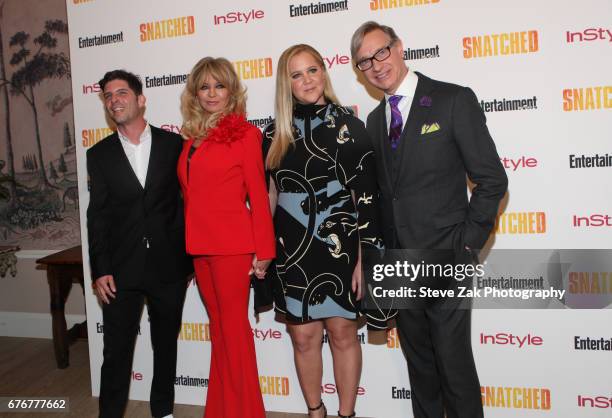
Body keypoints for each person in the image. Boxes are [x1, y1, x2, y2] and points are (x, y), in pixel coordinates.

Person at [350, 21, 508, 418]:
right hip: (399, 266)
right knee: (419, 370)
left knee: (454, 369)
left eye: (381, 52)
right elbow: (387, 198)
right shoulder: (373, 120)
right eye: (364, 61)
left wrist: (467, 244)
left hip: (447, 259)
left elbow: (492, 180)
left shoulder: (452, 100)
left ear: (400, 48)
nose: (375, 65)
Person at [263, 44, 391, 418]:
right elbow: (270, 196)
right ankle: (315, 411)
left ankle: (346, 414)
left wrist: (363, 261)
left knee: (342, 334)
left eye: (313, 70)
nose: (307, 80)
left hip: (342, 250)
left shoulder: (349, 126)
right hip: (293, 253)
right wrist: (265, 251)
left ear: (324, 72)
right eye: (296, 74)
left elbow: (365, 199)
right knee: (303, 338)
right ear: (286, 83)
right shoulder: (273, 134)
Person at [87, 69, 193, 418]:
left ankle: (162, 410)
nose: (114, 99)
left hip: (169, 266)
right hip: (121, 269)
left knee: (166, 346)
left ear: (140, 99)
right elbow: (97, 215)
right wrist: (100, 269)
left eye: (121, 93)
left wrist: (188, 259)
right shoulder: (99, 154)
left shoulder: (173, 145)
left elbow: (185, 204)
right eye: (107, 95)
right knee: (115, 351)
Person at [178, 57, 275, 418]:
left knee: (233, 333)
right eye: (205, 86)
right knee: (219, 332)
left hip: (233, 248)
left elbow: (259, 195)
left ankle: (247, 412)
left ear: (231, 91)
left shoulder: (245, 134)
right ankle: (220, 410)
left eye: (219, 85)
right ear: (195, 93)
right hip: (200, 249)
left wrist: (264, 250)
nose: (212, 93)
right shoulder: (191, 139)